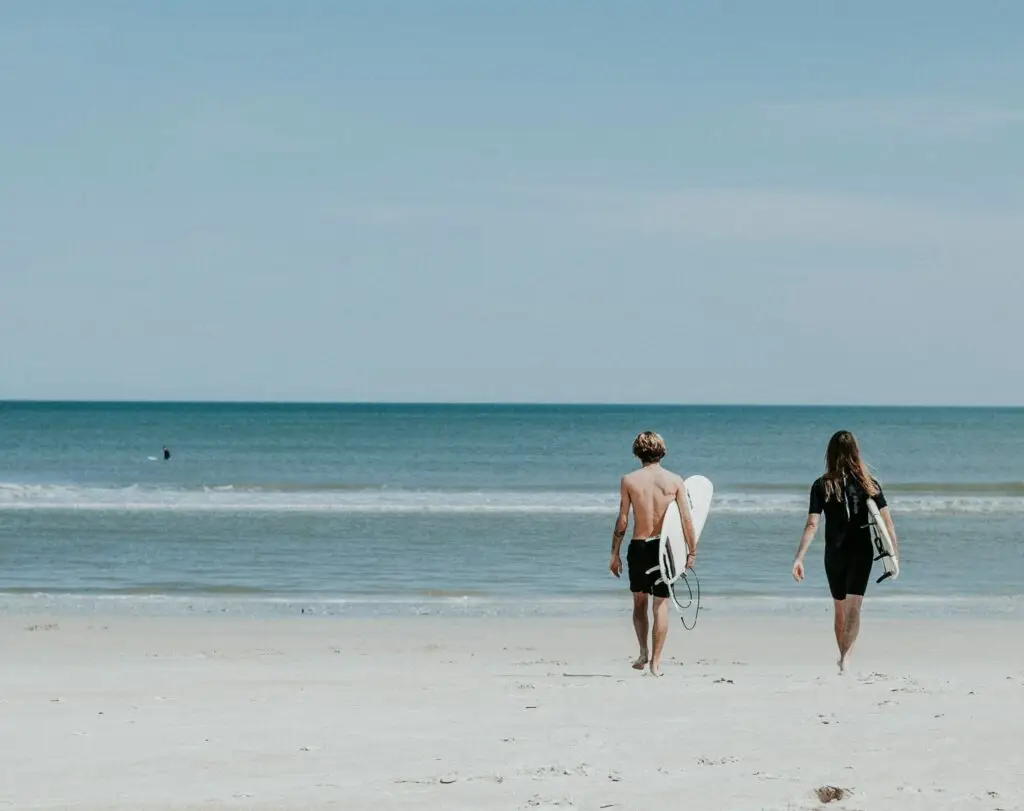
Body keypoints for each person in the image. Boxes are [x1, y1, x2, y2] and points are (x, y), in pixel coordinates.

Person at [792, 430, 899, 674]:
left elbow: (812, 524)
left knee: (840, 608)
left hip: (834, 553)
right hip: (861, 551)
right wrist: (894, 555)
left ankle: (843, 658)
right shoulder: (869, 484)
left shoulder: (822, 485)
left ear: (829, 453)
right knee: (854, 607)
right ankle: (846, 659)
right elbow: (887, 523)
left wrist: (799, 558)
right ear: (855, 452)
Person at [609, 431, 697, 677]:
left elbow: (623, 521)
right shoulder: (675, 481)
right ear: (662, 450)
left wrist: (614, 553)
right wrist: (692, 551)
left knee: (639, 601)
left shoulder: (629, 480)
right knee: (661, 604)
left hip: (638, 546)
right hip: (664, 549)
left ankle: (643, 651)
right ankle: (656, 664)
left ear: (638, 453)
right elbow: (686, 519)